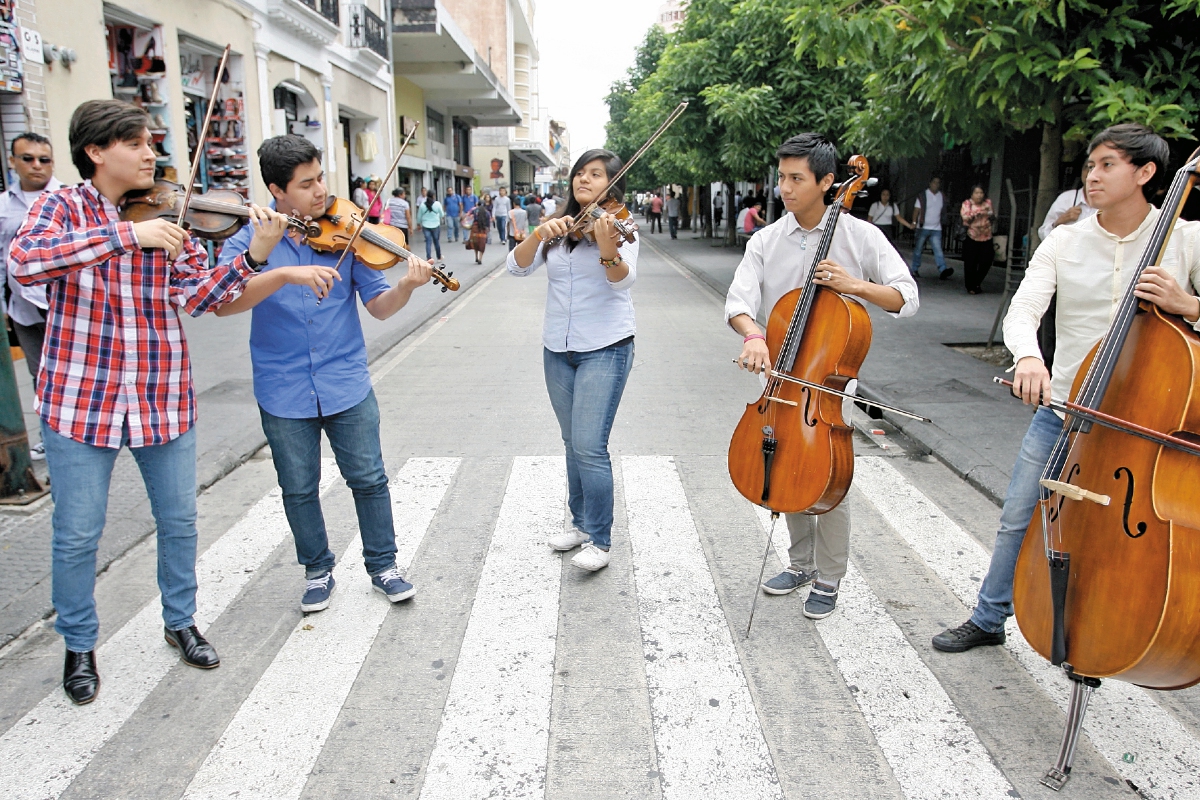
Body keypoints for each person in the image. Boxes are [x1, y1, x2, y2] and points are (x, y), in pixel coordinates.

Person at [9, 100, 266, 705]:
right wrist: (127, 235)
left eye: (153, 144)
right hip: (79, 399)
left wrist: (253, 257)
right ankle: (78, 643)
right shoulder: (61, 207)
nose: (152, 154)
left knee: (179, 521)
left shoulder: (173, 218)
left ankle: (180, 622)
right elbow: (24, 264)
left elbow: (201, 298)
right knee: (77, 534)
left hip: (160, 395)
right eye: (137, 144)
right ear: (97, 151)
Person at [932, 123, 1200, 653]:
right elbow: (1024, 309)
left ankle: (1130, 625)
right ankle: (989, 617)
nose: (1092, 176)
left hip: (1150, 421)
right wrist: (1029, 356)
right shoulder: (1066, 238)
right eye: (1090, 165)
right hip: (1067, 411)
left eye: (1107, 165)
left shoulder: (1186, 240)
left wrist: (1189, 305)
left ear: (1145, 173)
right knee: (1019, 514)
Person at [215, 133, 431, 616]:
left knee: (369, 478)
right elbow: (225, 306)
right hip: (281, 385)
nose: (321, 192)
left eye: (321, 179)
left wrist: (409, 287)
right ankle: (317, 569)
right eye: (306, 183)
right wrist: (275, 268)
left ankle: (384, 566)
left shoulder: (349, 234)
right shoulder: (249, 238)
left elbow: (378, 306)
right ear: (277, 190)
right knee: (297, 487)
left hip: (345, 381)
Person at [725, 133, 918, 619]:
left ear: (829, 182)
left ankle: (829, 576)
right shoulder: (766, 240)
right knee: (781, 463)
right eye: (782, 177)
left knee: (829, 476)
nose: (784, 188)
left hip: (830, 385)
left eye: (797, 178)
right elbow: (739, 303)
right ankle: (800, 563)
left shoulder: (861, 236)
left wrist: (853, 285)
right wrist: (753, 337)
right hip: (781, 375)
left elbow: (906, 298)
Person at [508, 149, 637, 573]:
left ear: (613, 184)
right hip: (556, 348)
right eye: (580, 173)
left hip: (605, 346)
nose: (584, 179)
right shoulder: (559, 223)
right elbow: (516, 267)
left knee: (589, 444)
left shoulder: (620, 224)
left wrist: (605, 248)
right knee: (571, 442)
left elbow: (622, 281)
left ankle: (600, 538)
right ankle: (581, 524)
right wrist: (539, 234)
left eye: (595, 174)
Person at [0, 132, 62, 461]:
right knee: (39, 374)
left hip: (61, 306)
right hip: (23, 307)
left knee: (67, 372)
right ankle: (48, 436)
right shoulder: (4, 205)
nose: (37, 166)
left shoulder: (67, 199)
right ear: (13, 161)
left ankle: (71, 435)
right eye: (28, 159)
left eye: (44, 159)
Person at [1038, 163, 1096, 241]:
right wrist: (1058, 223)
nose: (1090, 172)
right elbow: (1043, 232)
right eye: (1087, 167)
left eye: (1094, 168)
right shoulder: (1067, 198)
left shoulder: (1113, 203)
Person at [911, 176, 953, 280]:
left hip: (936, 227)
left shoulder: (941, 196)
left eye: (938, 183)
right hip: (923, 226)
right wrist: (914, 222)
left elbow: (944, 210)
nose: (936, 184)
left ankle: (943, 269)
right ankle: (914, 269)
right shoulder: (923, 195)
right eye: (934, 182)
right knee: (918, 249)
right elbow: (916, 210)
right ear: (930, 183)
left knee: (938, 250)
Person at [960, 185, 996, 294]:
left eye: (981, 193)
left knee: (986, 261)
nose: (979, 195)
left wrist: (989, 214)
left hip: (986, 236)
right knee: (971, 263)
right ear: (972, 194)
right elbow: (965, 218)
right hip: (972, 236)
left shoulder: (987, 203)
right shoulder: (967, 204)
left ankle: (977, 282)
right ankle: (971, 286)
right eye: (976, 193)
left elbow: (992, 216)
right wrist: (977, 214)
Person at [417, 189, 445, 261]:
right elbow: (442, 214)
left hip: (425, 225)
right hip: (435, 225)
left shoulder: (422, 205)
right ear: (433, 196)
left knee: (428, 242)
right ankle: (439, 257)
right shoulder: (437, 204)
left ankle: (429, 257)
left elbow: (419, 216)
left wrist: (418, 224)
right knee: (436, 241)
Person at [469, 194, 491, 263]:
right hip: (483, 229)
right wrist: (488, 229)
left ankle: (476, 257)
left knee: (475, 243)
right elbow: (488, 223)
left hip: (475, 228)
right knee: (482, 244)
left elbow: (469, 214)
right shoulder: (487, 213)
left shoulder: (475, 211)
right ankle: (480, 259)